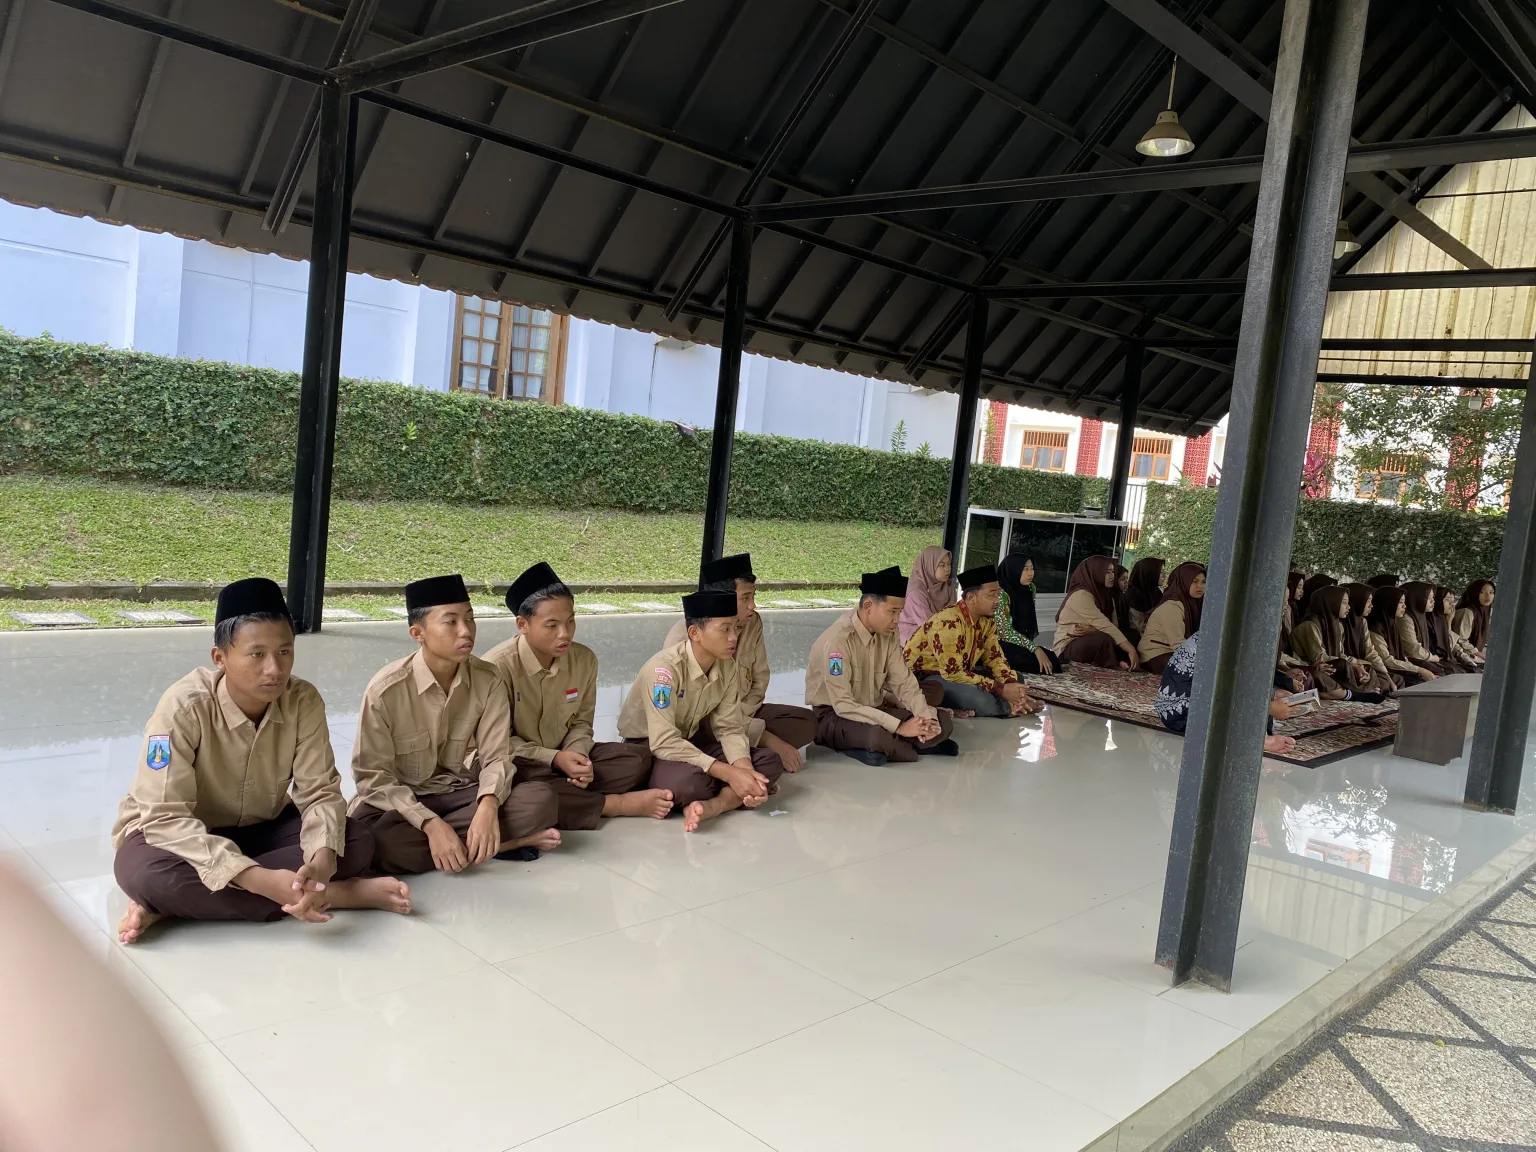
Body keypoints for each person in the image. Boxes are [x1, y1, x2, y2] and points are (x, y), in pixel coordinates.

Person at [112, 578, 409, 944]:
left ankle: (170, 906)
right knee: (146, 875)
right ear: (220, 658)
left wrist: (321, 860)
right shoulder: (182, 708)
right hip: (178, 834)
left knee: (355, 839)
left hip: (261, 827)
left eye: (284, 651)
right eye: (257, 654)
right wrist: (260, 879)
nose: (274, 669)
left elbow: (319, 792)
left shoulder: (303, 700)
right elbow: (164, 817)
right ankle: (337, 895)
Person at [351, 574, 560, 875]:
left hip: (458, 791)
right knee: (372, 840)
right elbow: (372, 779)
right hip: (400, 804)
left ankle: (466, 845)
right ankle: (503, 844)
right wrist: (430, 824)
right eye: (451, 622)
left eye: (470, 619)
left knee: (540, 799)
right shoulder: (385, 691)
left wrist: (488, 806)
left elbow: (496, 757)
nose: (466, 631)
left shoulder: (488, 679)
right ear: (418, 633)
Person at [484, 562, 673, 829]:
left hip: (564, 756)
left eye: (570, 621)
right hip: (522, 762)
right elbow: (496, 744)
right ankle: (612, 805)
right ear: (522, 624)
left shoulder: (584, 660)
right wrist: (554, 759)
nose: (565, 634)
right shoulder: (495, 669)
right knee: (522, 783)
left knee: (637, 760)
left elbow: (582, 723)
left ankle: (567, 796)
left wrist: (576, 755)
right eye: (551, 625)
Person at [617, 588, 784, 831]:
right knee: (689, 784)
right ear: (694, 633)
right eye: (725, 629)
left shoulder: (727, 666)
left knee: (769, 762)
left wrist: (745, 772)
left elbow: (729, 727)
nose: (734, 637)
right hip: (650, 747)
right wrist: (729, 774)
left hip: (691, 741)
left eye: (736, 628)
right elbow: (663, 741)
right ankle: (727, 794)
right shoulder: (664, 671)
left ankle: (715, 806)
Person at [664, 552, 816, 773]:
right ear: (723, 597)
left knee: (807, 722)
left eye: (753, 596)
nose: (752, 605)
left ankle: (739, 754)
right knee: (715, 747)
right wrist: (766, 738)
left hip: (742, 715)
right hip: (705, 724)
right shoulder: (687, 638)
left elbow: (760, 680)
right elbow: (695, 716)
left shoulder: (753, 623)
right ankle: (742, 756)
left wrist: (742, 719)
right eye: (745, 598)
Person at [806, 566, 956, 764]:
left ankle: (892, 746)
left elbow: (904, 682)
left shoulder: (889, 633)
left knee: (942, 721)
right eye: (892, 612)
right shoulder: (838, 642)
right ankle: (902, 744)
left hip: (875, 708)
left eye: (900, 612)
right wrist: (900, 727)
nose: (897, 620)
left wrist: (926, 718)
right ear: (868, 606)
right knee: (876, 736)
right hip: (836, 715)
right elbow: (843, 705)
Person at [904, 563, 1041, 718]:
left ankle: (1014, 702)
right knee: (977, 697)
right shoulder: (948, 623)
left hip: (960, 672)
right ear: (971, 598)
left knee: (1017, 678)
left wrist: (1009, 684)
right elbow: (953, 674)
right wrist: (1001, 689)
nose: (997, 600)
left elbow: (994, 657)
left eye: (998, 595)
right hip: (928, 678)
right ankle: (1010, 707)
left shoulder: (987, 620)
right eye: (991, 595)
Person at [1152, 632, 1298, 756]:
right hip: (1179, 710)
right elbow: (1221, 693)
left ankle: (1257, 735)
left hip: (1200, 700)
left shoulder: (1231, 636)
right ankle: (1255, 740)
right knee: (1233, 702)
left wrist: (1273, 694)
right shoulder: (1217, 641)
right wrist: (1268, 708)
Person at [1289, 586, 1385, 701]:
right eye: (1344, 603)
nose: (1348, 607)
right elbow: (1320, 658)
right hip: (1313, 666)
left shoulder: (1338, 625)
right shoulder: (1310, 625)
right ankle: (1357, 692)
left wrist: (1356, 665)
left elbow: (1340, 653)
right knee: (1338, 667)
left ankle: (1356, 690)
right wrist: (1353, 664)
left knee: (1366, 668)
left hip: (1331, 667)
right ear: (1331, 603)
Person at [1053, 554, 1140, 669]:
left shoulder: (1105, 594)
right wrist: (1131, 650)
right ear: (1095, 573)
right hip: (1069, 645)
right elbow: (1104, 624)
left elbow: (1114, 626)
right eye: (1107, 572)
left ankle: (1124, 662)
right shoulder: (1081, 595)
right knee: (1104, 639)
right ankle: (1116, 664)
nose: (1112, 576)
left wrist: (1094, 630)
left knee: (1132, 635)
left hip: (1093, 636)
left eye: (1113, 572)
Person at [994, 553, 1061, 674]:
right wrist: (1034, 648)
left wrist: (1033, 648)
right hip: (998, 643)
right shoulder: (1001, 593)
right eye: (1025, 569)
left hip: (1020, 642)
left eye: (1032, 568)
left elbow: (1028, 619)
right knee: (1036, 664)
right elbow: (1004, 632)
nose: (1031, 573)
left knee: (1053, 661)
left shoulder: (1030, 589)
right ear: (1013, 570)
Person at [1137, 561, 1204, 674]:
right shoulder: (1172, 606)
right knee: (1193, 670)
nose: (1200, 586)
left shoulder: (1194, 604)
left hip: (1173, 651)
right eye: (1195, 581)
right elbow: (1178, 644)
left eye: (1203, 582)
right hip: (1155, 653)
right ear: (1184, 582)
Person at [1368, 586, 1436, 684]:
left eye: (1404, 602)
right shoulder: (1375, 628)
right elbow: (1387, 660)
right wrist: (1419, 670)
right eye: (1400, 602)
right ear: (1389, 603)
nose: (1404, 606)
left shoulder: (1392, 624)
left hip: (1396, 665)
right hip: (1386, 668)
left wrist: (1418, 670)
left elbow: (1401, 657)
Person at [1340, 583, 1396, 693]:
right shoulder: (1340, 623)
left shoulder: (1362, 622)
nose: (1371, 606)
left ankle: (1368, 688)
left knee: (1386, 680)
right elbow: (1338, 654)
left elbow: (1370, 651)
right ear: (1358, 601)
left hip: (1363, 665)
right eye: (1368, 601)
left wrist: (1386, 675)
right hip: (1348, 666)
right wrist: (1356, 663)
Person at [897, 545, 955, 644]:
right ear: (929, 566)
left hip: (941, 634)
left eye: (949, 564)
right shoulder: (917, 592)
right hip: (913, 639)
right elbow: (928, 625)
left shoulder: (948, 587)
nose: (947, 569)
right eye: (941, 565)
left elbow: (953, 616)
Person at [1397, 581, 1448, 676]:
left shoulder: (1420, 615)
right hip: (1409, 660)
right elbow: (1412, 649)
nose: (1433, 601)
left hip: (1422, 658)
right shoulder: (1405, 618)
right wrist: (1432, 657)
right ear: (1417, 598)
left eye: (1433, 597)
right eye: (1429, 598)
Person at [1432, 584, 1481, 671]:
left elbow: (1454, 646)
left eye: (1453, 601)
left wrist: (1467, 659)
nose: (1452, 604)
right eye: (1447, 600)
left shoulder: (1442, 619)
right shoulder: (1431, 621)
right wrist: (1449, 622)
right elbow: (1448, 647)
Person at [1454, 578, 1495, 659]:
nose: (1488, 596)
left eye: (1491, 592)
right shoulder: (1467, 612)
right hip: (1460, 656)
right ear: (1474, 593)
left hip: (1471, 655)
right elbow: (1460, 640)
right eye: (1482, 592)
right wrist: (1480, 654)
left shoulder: (1484, 611)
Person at [1125, 556, 1165, 637]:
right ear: (1150, 572)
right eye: (1161, 572)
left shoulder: (1156, 592)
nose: (1164, 576)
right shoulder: (1135, 596)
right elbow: (1138, 626)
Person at [1112, 563, 1139, 643]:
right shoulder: (1110, 597)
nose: (1126, 582)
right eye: (1122, 579)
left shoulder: (1122, 596)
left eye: (1127, 578)